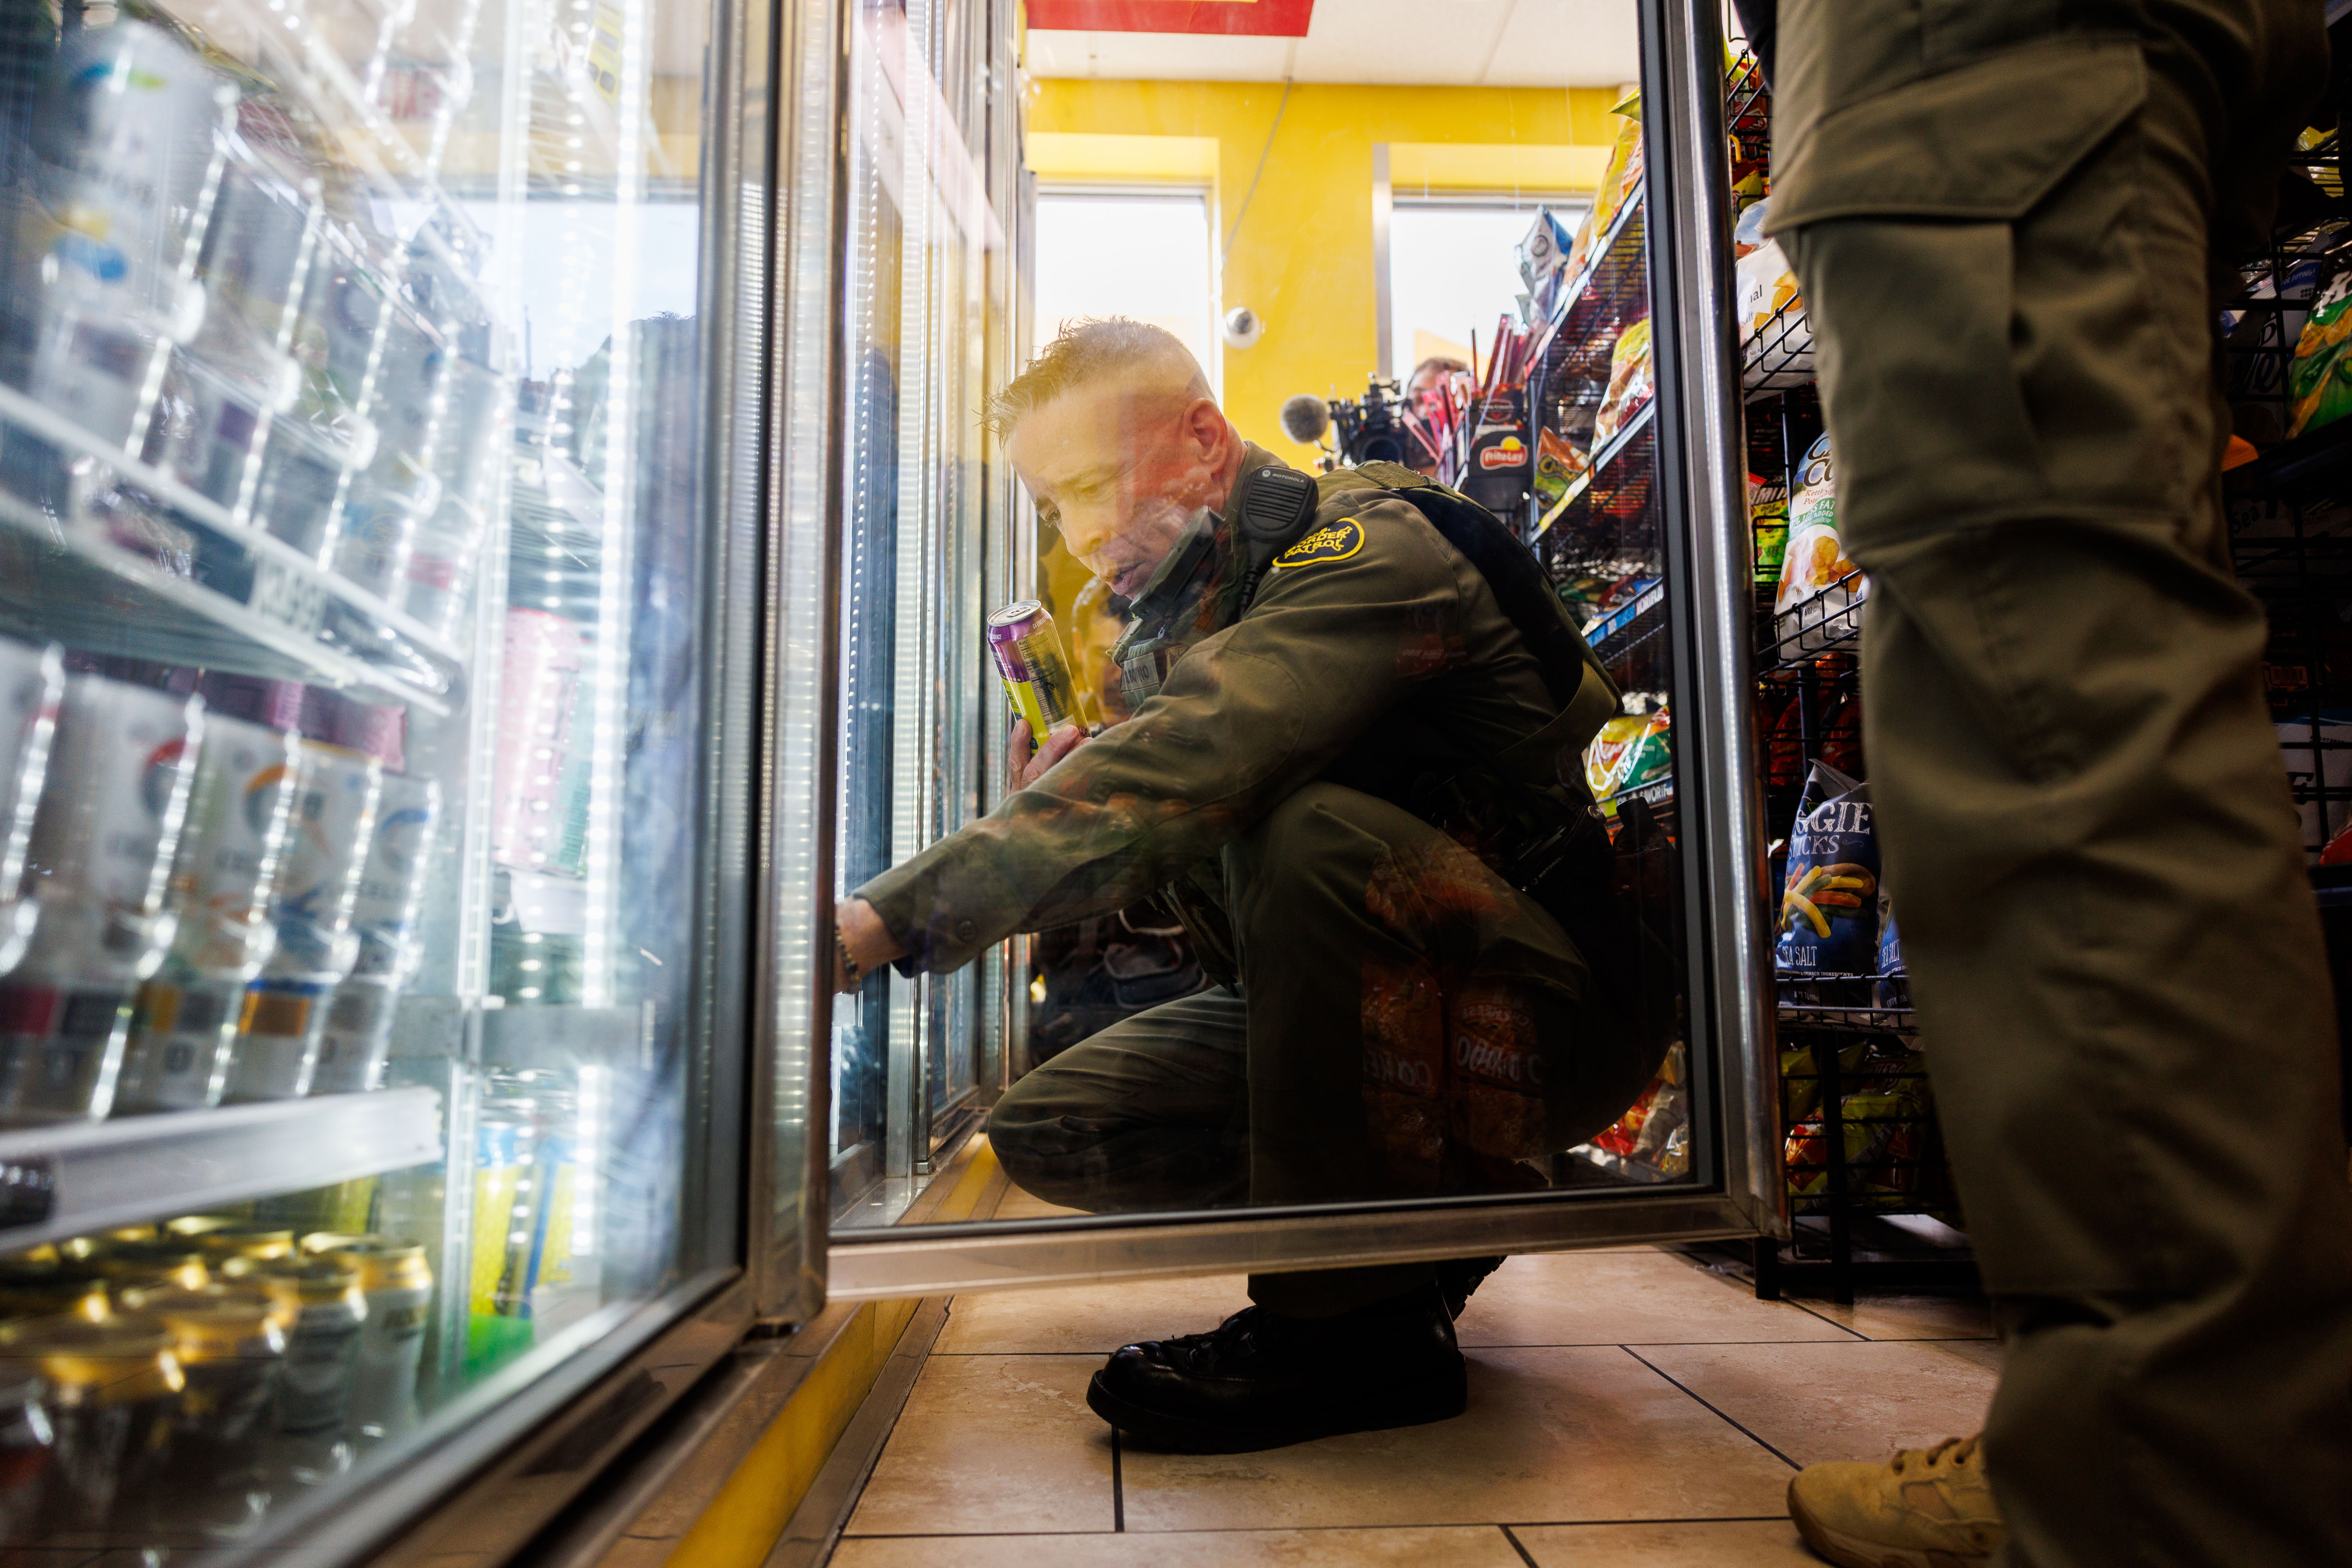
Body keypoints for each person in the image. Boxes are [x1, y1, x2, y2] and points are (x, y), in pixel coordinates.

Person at [1739, 2, 2352, 1564]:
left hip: (1977, 35)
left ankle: (2171, 1485)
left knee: (2045, 678)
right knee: (2089, 638)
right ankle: (2178, 1434)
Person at [831, 317, 1665, 1454]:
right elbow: (1205, 858)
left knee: (1312, 832)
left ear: (1204, 438)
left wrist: (881, 920)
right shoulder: (1183, 619)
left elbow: (1210, 759)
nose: (1081, 537)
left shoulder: (1371, 548)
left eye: (1092, 486)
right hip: (1392, 1022)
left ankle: (1349, 1332)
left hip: (1543, 1014)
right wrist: (1105, 807)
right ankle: (1414, 1249)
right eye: (1055, 508)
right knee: (1062, 1130)